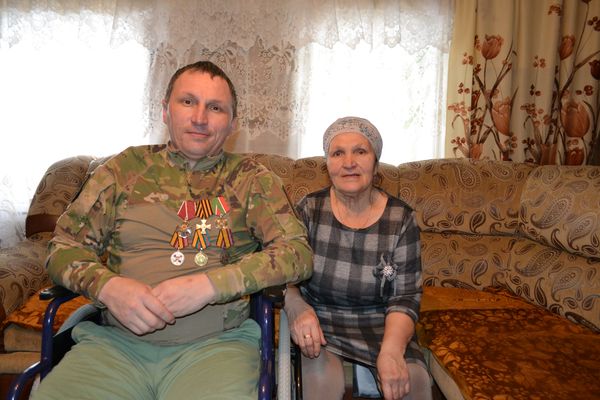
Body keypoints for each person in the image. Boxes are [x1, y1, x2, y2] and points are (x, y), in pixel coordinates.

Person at [32, 61, 313, 400]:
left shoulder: (253, 180)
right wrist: (108, 287)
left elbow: (297, 253)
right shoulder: (122, 170)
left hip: (216, 349)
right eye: (188, 101)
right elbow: (62, 247)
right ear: (165, 110)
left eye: (215, 107)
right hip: (115, 348)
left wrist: (211, 285)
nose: (200, 117)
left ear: (233, 123)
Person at [284, 117, 431, 400]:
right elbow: (285, 276)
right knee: (320, 383)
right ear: (327, 164)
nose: (349, 162)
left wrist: (391, 351)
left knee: (413, 382)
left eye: (360, 151)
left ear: (376, 163)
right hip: (320, 320)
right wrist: (298, 309)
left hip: (383, 323)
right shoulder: (309, 210)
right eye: (338, 153)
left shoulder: (401, 218)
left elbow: (405, 296)